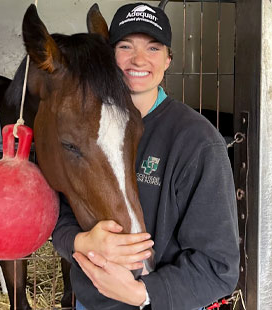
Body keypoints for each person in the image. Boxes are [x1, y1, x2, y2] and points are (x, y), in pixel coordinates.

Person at [52, 2, 240, 309]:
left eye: (153, 48)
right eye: (125, 46)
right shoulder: (86, 128)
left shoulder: (197, 141)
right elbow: (61, 211)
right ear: (108, 57)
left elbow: (219, 268)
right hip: (90, 303)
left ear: (168, 60)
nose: (138, 59)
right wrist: (80, 241)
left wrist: (142, 293)